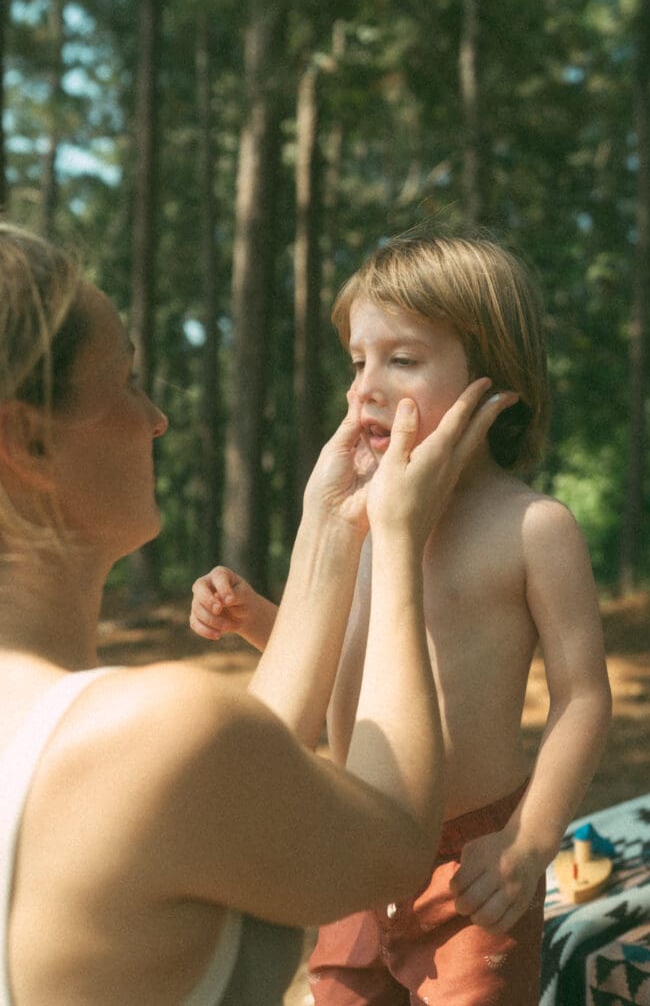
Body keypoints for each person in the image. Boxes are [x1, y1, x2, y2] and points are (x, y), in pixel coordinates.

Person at [0, 221, 516, 1006]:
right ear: (28, 441)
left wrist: (333, 525)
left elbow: (242, 775)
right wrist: (398, 540)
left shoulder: (123, 749)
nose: (155, 418)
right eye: (127, 381)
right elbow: (395, 840)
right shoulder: (151, 735)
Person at [190, 233, 613, 1005]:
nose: (365, 389)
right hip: (353, 840)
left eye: (402, 360)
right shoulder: (357, 513)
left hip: (470, 864)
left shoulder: (531, 528)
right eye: (358, 362)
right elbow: (345, 658)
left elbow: (582, 696)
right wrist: (257, 618)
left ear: (496, 376)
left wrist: (527, 839)